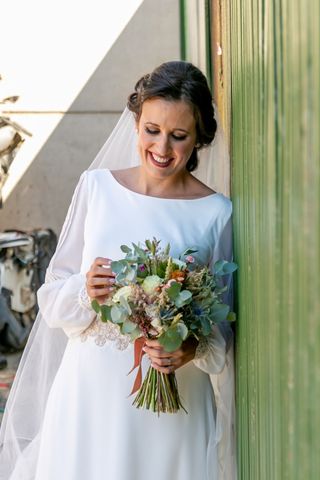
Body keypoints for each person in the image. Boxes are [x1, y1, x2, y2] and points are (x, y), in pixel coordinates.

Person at [0, 61, 236, 480]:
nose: (162, 148)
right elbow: (52, 295)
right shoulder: (97, 188)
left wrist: (189, 348)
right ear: (136, 121)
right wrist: (85, 291)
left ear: (199, 137)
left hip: (171, 405)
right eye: (152, 130)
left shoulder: (215, 213)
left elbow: (220, 328)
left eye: (178, 136)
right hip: (90, 394)